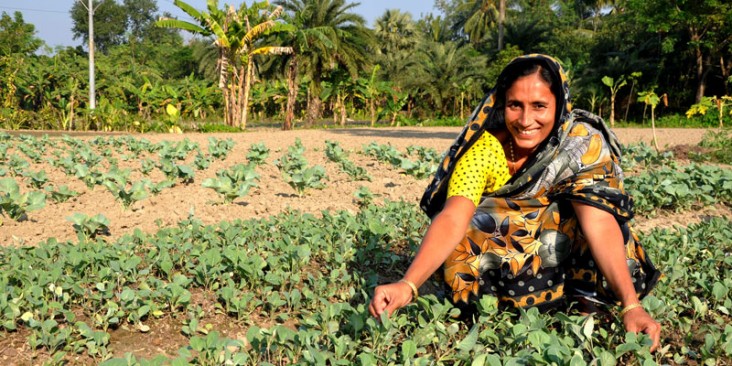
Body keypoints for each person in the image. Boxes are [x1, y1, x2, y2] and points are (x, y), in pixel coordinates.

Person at [368, 54, 662, 352]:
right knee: (477, 222)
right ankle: (489, 306)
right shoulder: (484, 150)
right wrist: (408, 285)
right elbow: (453, 216)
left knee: (591, 211)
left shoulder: (580, 143)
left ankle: (586, 300)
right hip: (504, 263)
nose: (525, 121)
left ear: (559, 105)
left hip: (565, 253)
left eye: (539, 106)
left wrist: (631, 306)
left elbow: (597, 221)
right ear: (501, 104)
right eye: (514, 105)